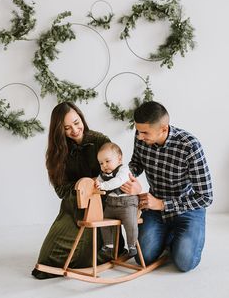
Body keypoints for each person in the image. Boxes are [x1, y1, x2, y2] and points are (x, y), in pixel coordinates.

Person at [31, 102, 125, 279]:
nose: (74, 130)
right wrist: (82, 186)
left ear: (81, 117)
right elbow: (61, 190)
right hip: (73, 204)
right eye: (67, 128)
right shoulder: (57, 153)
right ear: (60, 131)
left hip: (101, 204)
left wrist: (101, 185)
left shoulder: (99, 140)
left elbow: (116, 169)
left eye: (76, 122)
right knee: (47, 259)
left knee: (88, 250)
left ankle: (109, 250)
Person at [121, 101, 213, 272]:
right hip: (154, 207)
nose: (140, 137)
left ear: (163, 129)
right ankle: (170, 236)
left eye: (145, 133)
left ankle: (177, 237)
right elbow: (136, 164)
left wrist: (163, 204)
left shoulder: (190, 146)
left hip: (187, 209)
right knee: (143, 257)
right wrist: (128, 179)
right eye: (138, 132)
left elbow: (206, 197)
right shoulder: (141, 136)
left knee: (185, 263)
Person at [95, 142, 139, 259]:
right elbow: (97, 182)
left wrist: (103, 186)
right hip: (111, 205)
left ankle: (132, 245)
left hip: (127, 204)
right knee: (103, 222)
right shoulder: (103, 174)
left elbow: (118, 181)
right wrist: (95, 184)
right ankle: (109, 245)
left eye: (107, 161)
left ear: (119, 159)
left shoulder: (124, 170)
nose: (104, 165)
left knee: (130, 223)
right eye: (101, 163)